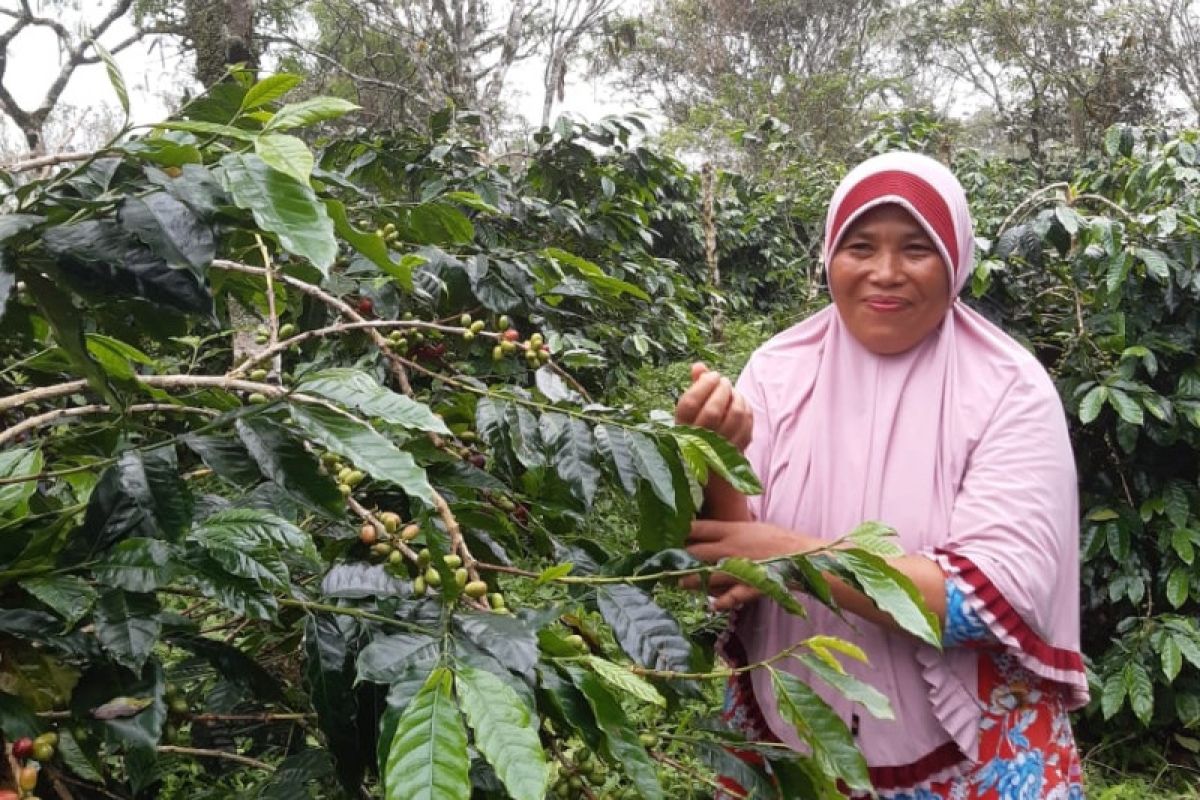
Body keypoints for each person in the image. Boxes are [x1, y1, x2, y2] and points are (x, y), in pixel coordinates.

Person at [674, 152, 1089, 799]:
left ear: (954, 262)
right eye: (860, 246)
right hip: (794, 741)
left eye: (916, 249)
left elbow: (985, 597)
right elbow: (730, 562)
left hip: (973, 761)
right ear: (830, 256)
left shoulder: (1009, 389)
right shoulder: (778, 370)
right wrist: (717, 453)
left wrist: (790, 554)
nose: (885, 273)